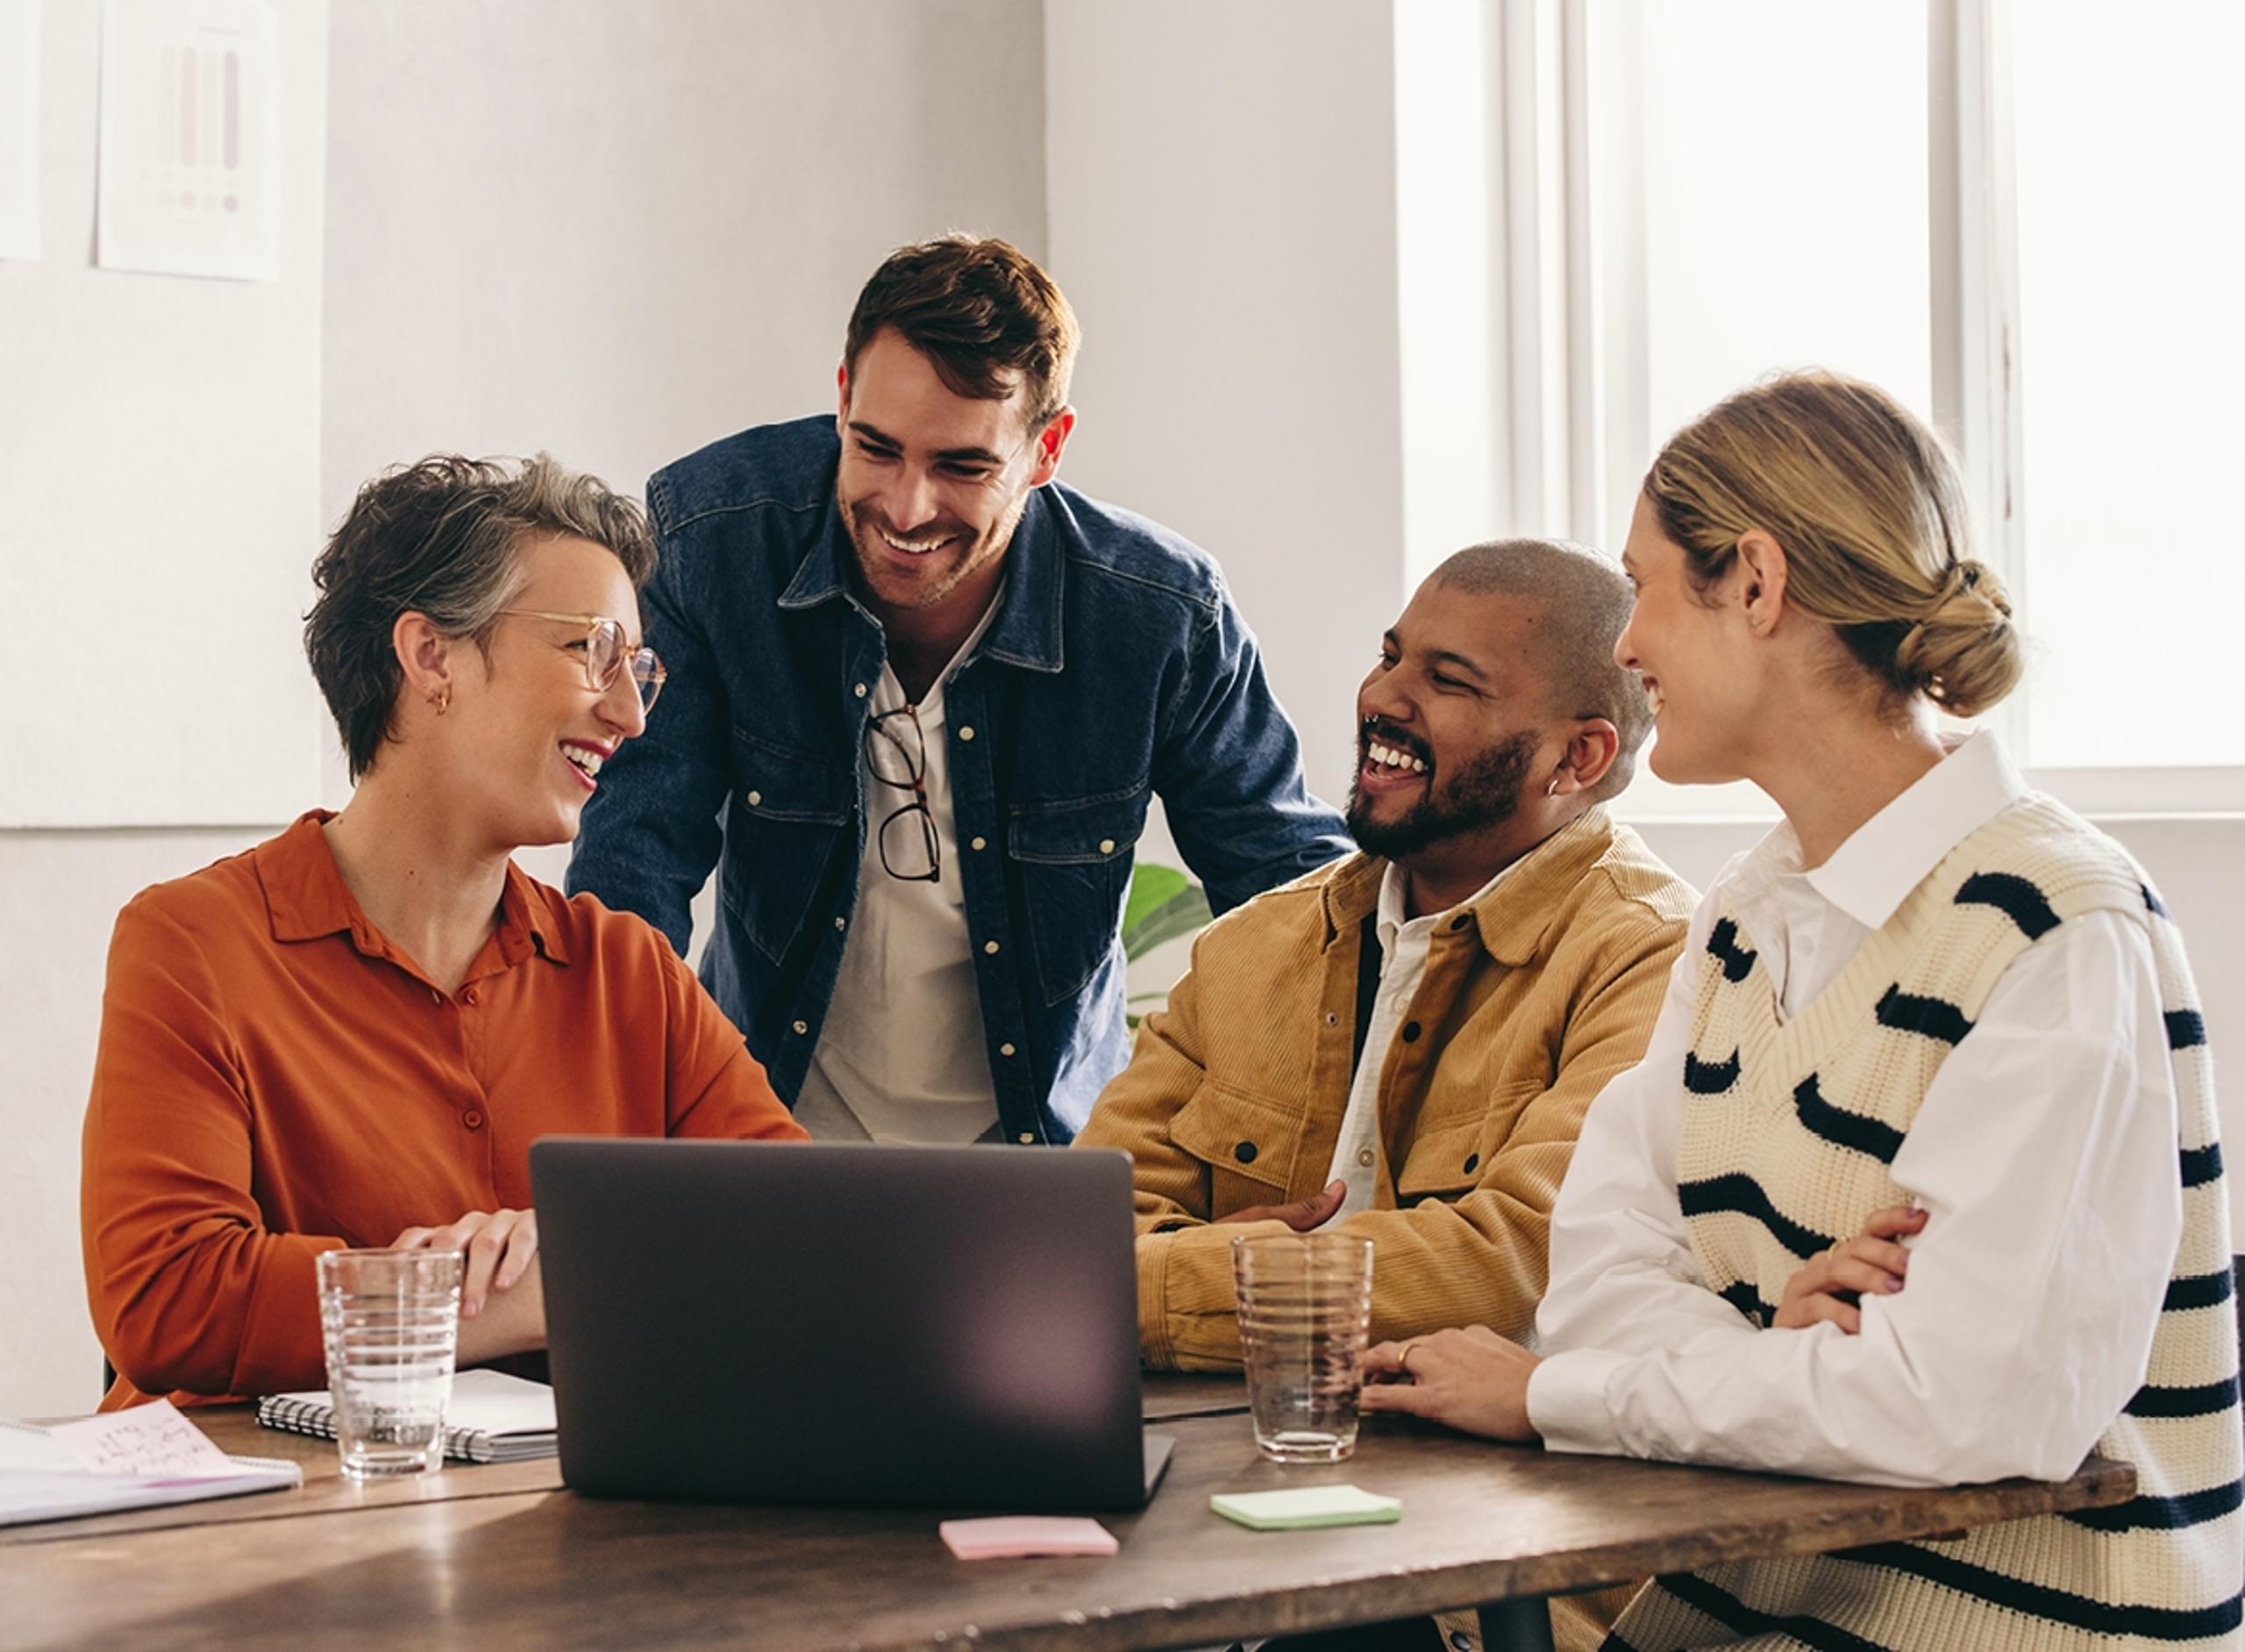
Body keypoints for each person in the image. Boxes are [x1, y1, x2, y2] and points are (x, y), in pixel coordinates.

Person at [1362, 373, 2240, 1648]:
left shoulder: (2058, 927)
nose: (1625, 644)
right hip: (1751, 1606)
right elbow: (1598, 1279)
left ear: (1757, 585)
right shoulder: (1745, 914)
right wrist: (1781, 1352)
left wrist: (1565, 1392)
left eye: (1647, 583)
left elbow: (1966, 1413)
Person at [566, 235, 1348, 1148]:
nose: (906, 507)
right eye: (876, 448)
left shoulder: (1161, 615)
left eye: (962, 467)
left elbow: (1295, 905)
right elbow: (636, 867)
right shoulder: (716, 537)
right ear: (843, 399)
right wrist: (621, 1149)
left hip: (1039, 1162)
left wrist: (1262, 1161)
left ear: (1046, 448)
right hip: (767, 1137)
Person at [82, 454, 805, 1409]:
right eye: (591, 651)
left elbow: (801, 1248)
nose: (630, 714)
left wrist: (568, 1268)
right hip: (264, 1539)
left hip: (566, 1535)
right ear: (430, 658)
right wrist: (495, 1301)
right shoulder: (193, 946)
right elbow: (168, 1299)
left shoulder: (630, 974)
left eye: (638, 669)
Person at [1073, 538, 1694, 1371]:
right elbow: (1089, 1226)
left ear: (1576, 758)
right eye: (1390, 657)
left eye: (1448, 680)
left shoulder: (1651, 957)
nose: (1382, 698)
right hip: (1235, 1434)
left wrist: (1208, 1277)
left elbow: (1514, 1261)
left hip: (1513, 1480)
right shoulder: (1252, 944)